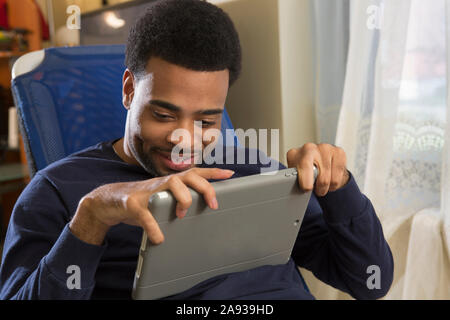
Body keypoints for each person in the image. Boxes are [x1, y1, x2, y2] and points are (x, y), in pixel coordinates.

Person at [0, 0, 393, 300]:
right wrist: (92, 219)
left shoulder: (253, 171)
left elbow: (370, 280)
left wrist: (339, 189)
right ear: (128, 90)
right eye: (164, 114)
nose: (185, 138)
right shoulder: (60, 191)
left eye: (206, 120)